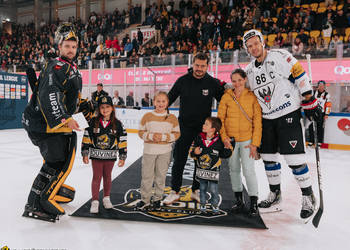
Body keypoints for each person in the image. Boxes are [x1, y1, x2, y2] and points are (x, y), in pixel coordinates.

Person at [243, 29, 322, 219]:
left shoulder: (280, 56)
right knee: (269, 158)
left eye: (256, 43)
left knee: (294, 160)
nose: (253, 48)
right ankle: (275, 194)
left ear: (262, 42)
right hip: (267, 119)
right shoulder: (249, 71)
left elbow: (299, 73)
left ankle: (308, 196)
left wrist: (309, 99)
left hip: (288, 114)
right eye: (249, 46)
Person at [21, 22, 82, 222]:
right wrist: (64, 118)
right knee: (55, 161)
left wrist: (84, 109)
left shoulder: (67, 66)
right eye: (67, 46)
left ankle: (51, 189)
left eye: (74, 46)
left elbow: (70, 96)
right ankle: (34, 203)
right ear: (59, 46)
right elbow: (51, 95)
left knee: (58, 159)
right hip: (44, 124)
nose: (71, 50)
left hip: (47, 123)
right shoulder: (57, 66)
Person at [163, 52, 227, 205]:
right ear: (193, 64)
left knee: (200, 161)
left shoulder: (212, 82)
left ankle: (196, 191)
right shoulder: (182, 81)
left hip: (203, 130)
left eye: (202, 66)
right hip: (184, 127)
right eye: (197, 65)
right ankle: (175, 191)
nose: (199, 68)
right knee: (179, 160)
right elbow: (168, 99)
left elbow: (224, 102)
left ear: (207, 66)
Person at [217, 68, 262, 216]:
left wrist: (255, 143)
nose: (237, 83)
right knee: (234, 170)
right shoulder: (226, 97)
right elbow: (220, 120)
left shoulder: (252, 97)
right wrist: (224, 138)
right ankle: (239, 200)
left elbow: (257, 121)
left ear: (245, 80)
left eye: (239, 80)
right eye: (234, 81)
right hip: (231, 141)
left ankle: (254, 202)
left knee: (249, 171)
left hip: (248, 141)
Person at [81, 96, 127, 213]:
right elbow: (86, 137)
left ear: (112, 108)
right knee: (96, 177)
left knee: (107, 177)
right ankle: (95, 201)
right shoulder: (93, 122)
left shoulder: (118, 124)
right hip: (96, 156)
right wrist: (85, 153)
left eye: (107, 107)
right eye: (102, 107)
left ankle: (106, 198)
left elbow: (122, 140)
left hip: (110, 156)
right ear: (99, 109)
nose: (105, 109)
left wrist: (122, 156)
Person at [136, 92, 180, 210]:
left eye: (163, 101)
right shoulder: (147, 116)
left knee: (160, 176)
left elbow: (176, 134)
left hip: (164, 152)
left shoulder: (172, 118)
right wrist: (151, 136)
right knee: (147, 176)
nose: (160, 104)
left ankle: (157, 199)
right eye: (158, 101)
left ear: (167, 103)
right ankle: (145, 199)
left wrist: (163, 138)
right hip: (149, 151)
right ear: (154, 102)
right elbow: (140, 132)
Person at [190, 117, 232, 214]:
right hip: (202, 169)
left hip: (213, 170)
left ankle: (214, 204)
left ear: (213, 129)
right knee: (202, 188)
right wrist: (194, 152)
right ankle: (203, 204)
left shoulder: (219, 140)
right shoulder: (199, 137)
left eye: (206, 124)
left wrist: (227, 148)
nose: (203, 125)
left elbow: (224, 155)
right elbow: (192, 151)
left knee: (213, 189)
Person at [308, 80, 331, 146]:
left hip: (321, 113)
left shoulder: (327, 95)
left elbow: (328, 105)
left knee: (320, 128)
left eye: (322, 86)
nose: (321, 87)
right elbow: (310, 102)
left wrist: (326, 114)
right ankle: (311, 141)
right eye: (320, 86)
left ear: (324, 87)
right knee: (311, 127)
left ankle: (319, 142)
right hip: (313, 113)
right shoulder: (313, 93)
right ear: (318, 86)